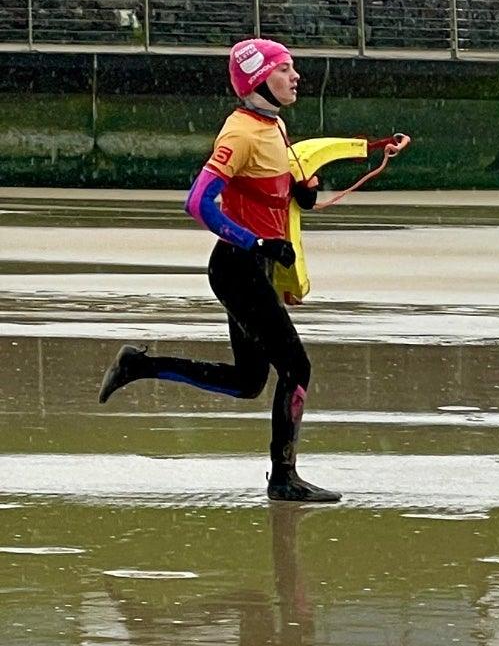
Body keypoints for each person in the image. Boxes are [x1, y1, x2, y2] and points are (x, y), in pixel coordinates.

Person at [96, 37, 338, 503]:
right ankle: (283, 477)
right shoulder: (239, 133)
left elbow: (270, 183)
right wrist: (256, 241)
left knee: (248, 382)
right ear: (258, 79)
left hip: (257, 267)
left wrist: (300, 192)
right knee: (297, 365)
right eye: (285, 68)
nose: (295, 76)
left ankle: (138, 365)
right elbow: (197, 201)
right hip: (236, 266)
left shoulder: (273, 124)